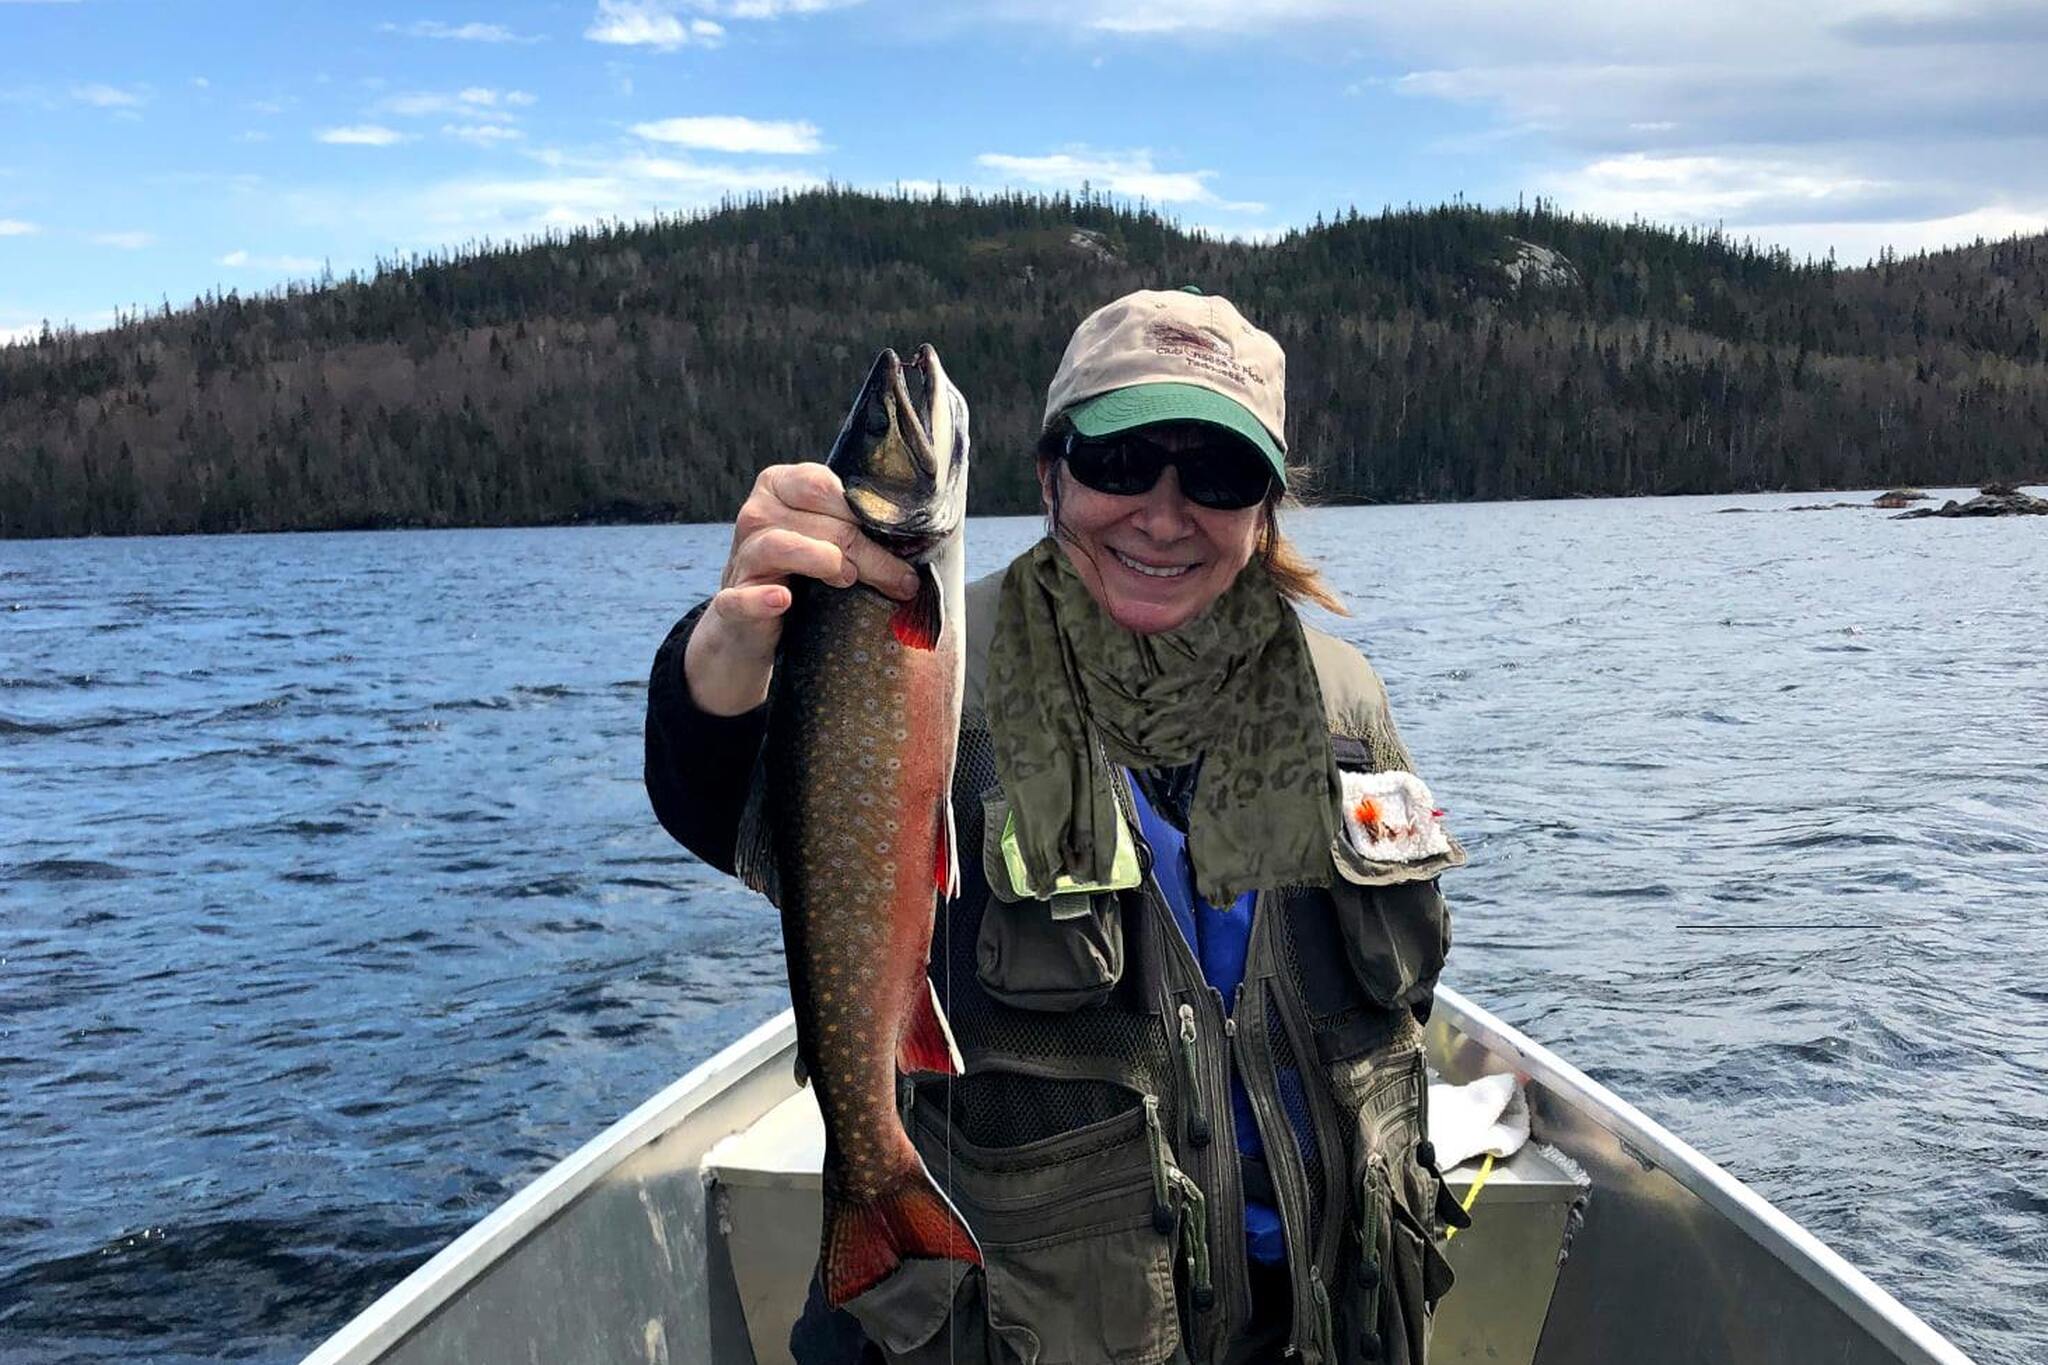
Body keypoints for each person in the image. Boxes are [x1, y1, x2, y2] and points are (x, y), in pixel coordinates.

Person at [646, 287, 1468, 1365]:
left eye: (1216, 476)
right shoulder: (919, 669)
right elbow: (733, 808)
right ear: (1049, 476)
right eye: (1120, 464)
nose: (1162, 514)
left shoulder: (1343, 701)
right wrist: (722, 665)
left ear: (1262, 507)